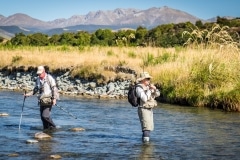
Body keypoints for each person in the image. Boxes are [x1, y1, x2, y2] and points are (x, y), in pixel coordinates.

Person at [25, 66, 58, 130]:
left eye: (40, 74)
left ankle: (54, 127)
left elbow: (55, 89)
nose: (39, 75)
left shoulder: (49, 78)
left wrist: (54, 99)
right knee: (42, 118)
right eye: (38, 74)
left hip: (48, 100)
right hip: (41, 100)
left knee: (45, 116)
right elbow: (35, 89)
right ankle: (46, 129)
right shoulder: (38, 79)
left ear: (44, 71)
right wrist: (27, 95)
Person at [135, 72, 160, 142]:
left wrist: (154, 89)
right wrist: (149, 90)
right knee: (146, 128)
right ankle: (146, 146)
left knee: (149, 128)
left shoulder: (149, 87)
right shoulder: (138, 88)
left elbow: (158, 94)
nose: (149, 80)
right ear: (143, 80)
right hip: (143, 109)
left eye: (149, 79)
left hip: (149, 109)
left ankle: (145, 144)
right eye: (147, 79)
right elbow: (144, 99)